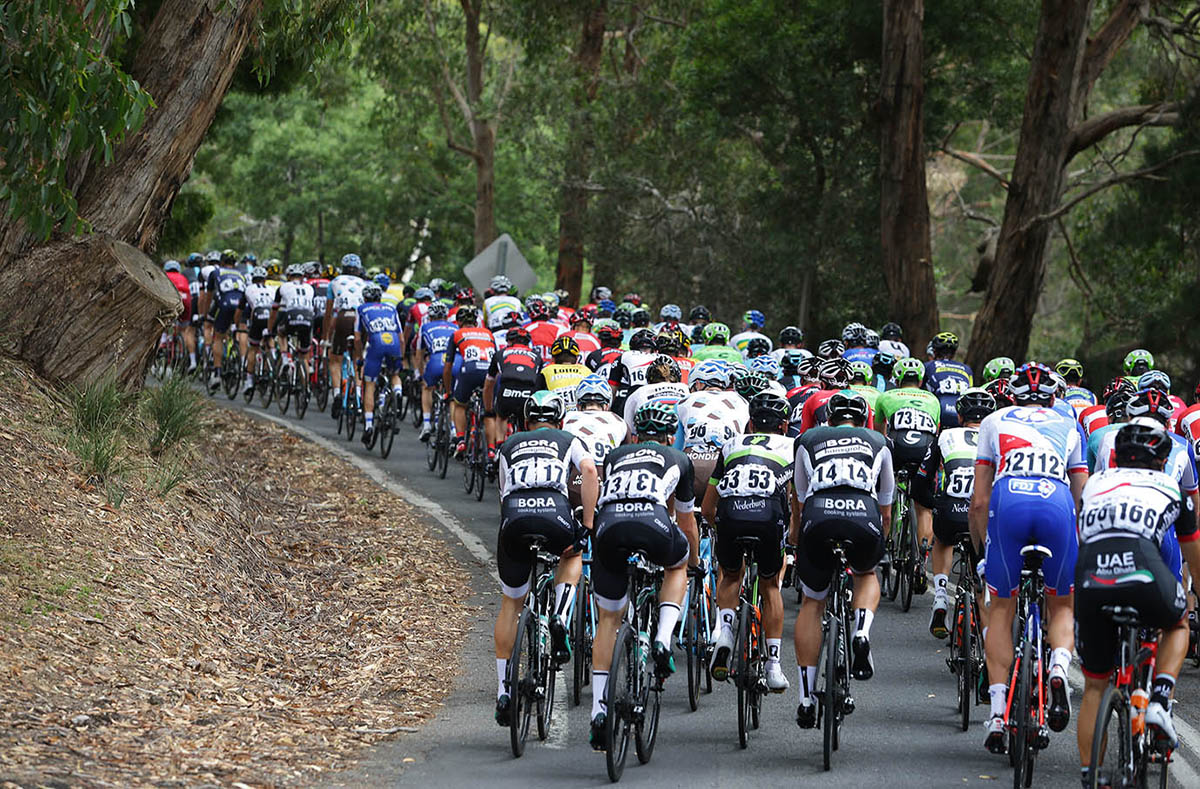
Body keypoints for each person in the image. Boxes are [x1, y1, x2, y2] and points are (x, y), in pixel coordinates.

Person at [970, 362, 1088, 753]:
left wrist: (982, 549)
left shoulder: (994, 420)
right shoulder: (1069, 424)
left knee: (1002, 607)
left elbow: (980, 501)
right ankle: (1057, 668)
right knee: (1061, 603)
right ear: (1054, 396)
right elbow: (1081, 498)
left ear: (1012, 395)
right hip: (1055, 504)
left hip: (1010, 501)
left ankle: (999, 712)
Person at [1075, 422, 1200, 785]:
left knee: (1095, 685)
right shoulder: (1171, 486)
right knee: (1178, 623)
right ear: (1162, 460)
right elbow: (1191, 553)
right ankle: (1159, 701)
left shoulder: (1097, 483)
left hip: (1092, 573)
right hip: (1143, 568)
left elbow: (1086, 535)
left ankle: (1090, 776)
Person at [588, 401, 697, 750]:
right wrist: (692, 559)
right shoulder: (679, 458)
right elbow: (686, 521)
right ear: (669, 436)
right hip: (653, 522)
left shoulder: (617, 455)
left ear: (635, 435)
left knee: (609, 618)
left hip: (609, 527)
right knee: (677, 564)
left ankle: (598, 711)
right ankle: (663, 638)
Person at [493, 392, 598, 727]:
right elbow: (589, 471)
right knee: (573, 554)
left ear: (525, 422)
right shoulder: (569, 438)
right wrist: (588, 524)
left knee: (511, 603)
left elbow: (503, 493)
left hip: (515, 518)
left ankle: (502, 691)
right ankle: (560, 616)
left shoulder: (509, 445)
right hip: (555, 513)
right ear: (560, 420)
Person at [791, 391, 894, 727]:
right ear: (863, 420)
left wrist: (797, 538)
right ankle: (861, 631)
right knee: (866, 573)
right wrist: (884, 539)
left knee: (812, 602)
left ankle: (806, 698)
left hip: (818, 515)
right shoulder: (879, 441)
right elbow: (887, 501)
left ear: (829, 420)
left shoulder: (808, 438)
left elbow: (800, 495)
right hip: (863, 514)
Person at [702, 392, 795, 692]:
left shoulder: (730, 445)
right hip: (768, 517)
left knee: (731, 574)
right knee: (769, 585)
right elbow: (798, 497)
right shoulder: (793, 445)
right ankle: (774, 667)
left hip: (730, 515)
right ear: (784, 425)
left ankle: (726, 632)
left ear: (751, 424)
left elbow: (707, 508)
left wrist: (719, 527)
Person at [914, 388, 995, 638]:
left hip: (951, 509)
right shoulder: (998, 437)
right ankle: (986, 624)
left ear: (960, 416)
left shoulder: (945, 435)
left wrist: (934, 503)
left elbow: (921, 481)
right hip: (983, 512)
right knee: (983, 557)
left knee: (943, 539)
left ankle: (939, 595)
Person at [443, 306, 497, 457]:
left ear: (459, 322)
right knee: (489, 413)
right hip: (489, 372)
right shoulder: (489, 334)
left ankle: (460, 440)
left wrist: (448, 392)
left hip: (470, 370)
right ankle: (492, 449)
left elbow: (448, 368)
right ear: (476, 322)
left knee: (459, 405)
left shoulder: (457, 334)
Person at [354, 283, 404, 445]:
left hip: (376, 343)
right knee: (394, 374)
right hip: (394, 343)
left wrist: (359, 358)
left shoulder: (362, 309)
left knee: (370, 383)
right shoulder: (391, 308)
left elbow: (356, 338)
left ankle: (368, 424)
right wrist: (400, 356)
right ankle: (396, 392)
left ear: (365, 298)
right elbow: (402, 338)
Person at [483, 326, 541, 449]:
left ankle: (499, 447)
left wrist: (488, 409)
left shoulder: (500, 353)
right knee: (526, 423)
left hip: (507, 390)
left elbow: (489, 384)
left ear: (509, 341)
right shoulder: (537, 356)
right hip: (528, 391)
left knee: (502, 416)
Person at [323, 254, 366, 417]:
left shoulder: (334, 282)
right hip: (359, 320)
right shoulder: (365, 283)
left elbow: (328, 314)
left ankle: (336, 395)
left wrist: (326, 338)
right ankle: (359, 395)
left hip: (342, 317)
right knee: (358, 360)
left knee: (335, 359)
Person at [200, 250, 247, 392]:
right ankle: (237, 358)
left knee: (218, 337)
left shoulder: (216, 272)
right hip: (241, 307)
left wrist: (206, 314)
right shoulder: (241, 274)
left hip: (225, 305)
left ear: (222, 262)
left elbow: (209, 297)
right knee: (237, 331)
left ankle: (217, 373)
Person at [415, 301, 458, 441]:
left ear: (430, 317)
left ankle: (426, 424)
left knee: (427, 388)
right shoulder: (455, 327)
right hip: (454, 363)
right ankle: (453, 429)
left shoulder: (425, 327)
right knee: (451, 396)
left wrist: (419, 373)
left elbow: (419, 353)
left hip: (435, 361)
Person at [266, 264, 316, 381]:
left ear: (288, 276)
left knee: (281, 333)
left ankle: (284, 359)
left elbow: (274, 311)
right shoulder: (310, 288)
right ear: (303, 277)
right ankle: (306, 388)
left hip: (291, 315)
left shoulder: (283, 287)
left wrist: (269, 329)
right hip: (308, 317)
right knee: (303, 356)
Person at [234, 266, 277, 396]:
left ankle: (249, 381)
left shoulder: (248, 289)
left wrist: (236, 326)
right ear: (265, 280)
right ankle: (271, 361)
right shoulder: (272, 289)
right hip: (270, 315)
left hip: (258, 314)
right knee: (269, 339)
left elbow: (240, 310)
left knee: (253, 348)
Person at [923, 331, 973, 428]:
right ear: (954, 353)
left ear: (934, 351)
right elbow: (970, 389)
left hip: (939, 409)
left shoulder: (928, 365)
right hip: (962, 413)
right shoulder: (967, 369)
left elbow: (919, 388)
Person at [534, 335, 591, 409]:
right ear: (577, 358)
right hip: (581, 415)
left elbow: (536, 397)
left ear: (553, 358)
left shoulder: (546, 371)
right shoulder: (586, 370)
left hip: (556, 414)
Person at [162, 260, 198, 372]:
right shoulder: (183, 277)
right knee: (184, 330)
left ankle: (164, 341)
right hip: (187, 300)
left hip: (173, 297)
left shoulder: (165, 276)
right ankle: (192, 361)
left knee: (163, 323)